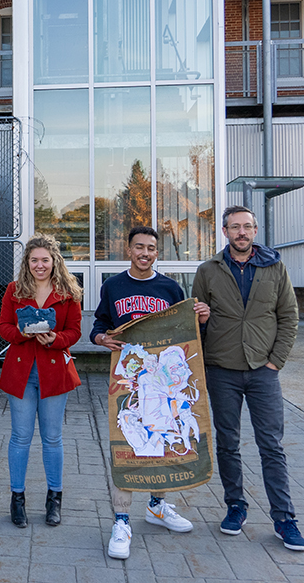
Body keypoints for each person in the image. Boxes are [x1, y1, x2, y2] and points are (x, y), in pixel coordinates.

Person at [90, 226, 210, 560]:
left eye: (152, 248)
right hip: (129, 383)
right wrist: (100, 339)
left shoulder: (170, 287)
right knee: (127, 445)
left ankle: (157, 506)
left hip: (163, 383)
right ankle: (122, 520)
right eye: (139, 247)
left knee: (161, 442)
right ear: (127, 249)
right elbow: (98, 327)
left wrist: (202, 318)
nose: (145, 253)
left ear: (158, 252)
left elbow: (187, 334)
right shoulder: (113, 287)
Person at [192, 205, 304, 552]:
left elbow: (289, 317)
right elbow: (194, 320)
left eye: (247, 227)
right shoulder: (208, 270)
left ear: (255, 231)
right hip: (221, 369)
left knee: (271, 445)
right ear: (224, 231)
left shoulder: (275, 268)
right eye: (234, 227)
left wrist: (276, 362)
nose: (241, 232)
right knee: (227, 442)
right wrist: (203, 318)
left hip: (262, 371)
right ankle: (235, 506)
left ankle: (285, 518)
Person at [0, 233, 83, 528]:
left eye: (45, 260)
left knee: (52, 438)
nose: (39, 265)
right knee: (20, 437)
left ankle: (54, 499)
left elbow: (74, 332)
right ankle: (17, 498)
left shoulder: (68, 292)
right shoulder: (14, 290)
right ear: (27, 262)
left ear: (54, 260)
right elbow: (4, 328)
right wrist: (23, 333)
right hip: (21, 373)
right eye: (34, 260)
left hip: (54, 372)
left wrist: (55, 339)